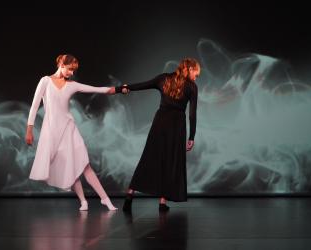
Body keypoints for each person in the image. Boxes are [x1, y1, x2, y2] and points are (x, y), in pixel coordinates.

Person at [25, 54, 117, 211]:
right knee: (70, 167)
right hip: (52, 132)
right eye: (70, 69)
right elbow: (34, 106)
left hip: (69, 130)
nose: (72, 73)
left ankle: (105, 199)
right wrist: (29, 130)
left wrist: (119, 90)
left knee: (84, 165)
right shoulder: (45, 81)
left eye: (74, 71)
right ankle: (83, 201)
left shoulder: (72, 85)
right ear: (61, 63)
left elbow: (96, 89)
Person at [117, 58, 200, 212]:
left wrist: (123, 88)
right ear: (189, 69)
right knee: (170, 161)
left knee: (149, 157)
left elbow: (142, 85)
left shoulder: (164, 78)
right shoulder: (192, 87)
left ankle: (130, 195)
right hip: (177, 125)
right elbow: (192, 115)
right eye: (196, 72)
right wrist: (191, 137)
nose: (197, 76)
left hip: (160, 121)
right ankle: (162, 202)